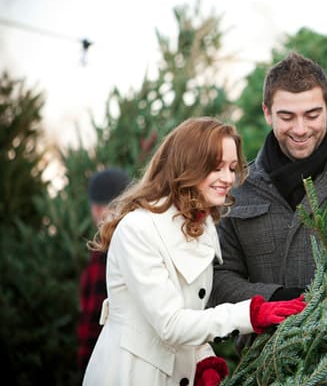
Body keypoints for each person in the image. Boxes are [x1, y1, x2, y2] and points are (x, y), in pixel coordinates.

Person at [82, 117, 306, 386]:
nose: (228, 178)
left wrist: (203, 359)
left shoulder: (203, 225)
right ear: (188, 165)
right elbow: (170, 324)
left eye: (232, 167)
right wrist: (251, 314)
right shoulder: (139, 228)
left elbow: (192, 310)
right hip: (132, 374)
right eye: (217, 167)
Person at [210, 52, 327, 307]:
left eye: (312, 115)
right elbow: (219, 279)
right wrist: (278, 300)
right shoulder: (236, 190)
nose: (300, 129)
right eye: (287, 117)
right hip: (268, 346)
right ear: (267, 113)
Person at [78, 167, 131, 373]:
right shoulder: (132, 241)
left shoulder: (108, 250)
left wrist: (87, 364)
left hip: (105, 361)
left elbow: (95, 317)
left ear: (98, 209)